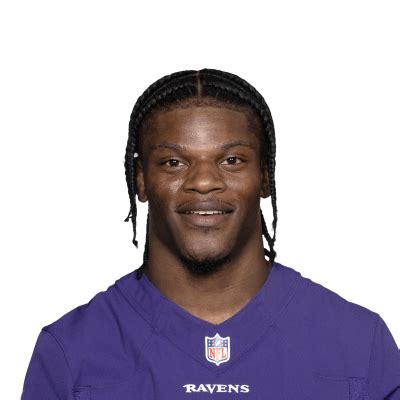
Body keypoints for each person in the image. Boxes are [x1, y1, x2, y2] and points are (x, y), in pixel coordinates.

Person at [21, 69, 400, 399]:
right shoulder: (70, 351)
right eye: (174, 162)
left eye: (232, 160)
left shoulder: (360, 345)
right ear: (141, 179)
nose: (204, 181)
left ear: (265, 175)